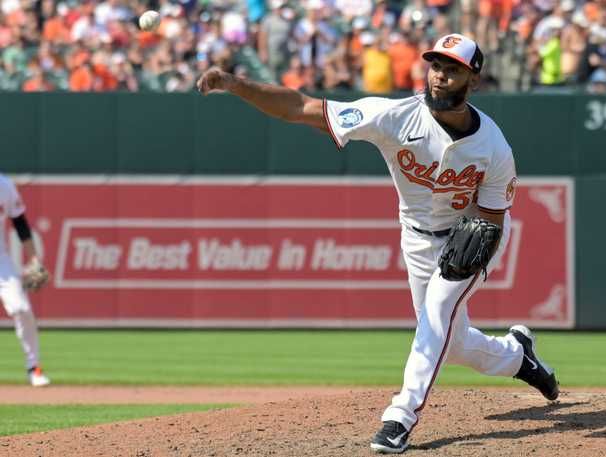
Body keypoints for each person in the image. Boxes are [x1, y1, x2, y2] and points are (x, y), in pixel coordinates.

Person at [196, 32, 559, 454]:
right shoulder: (393, 116)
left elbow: (493, 215)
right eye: (436, 66)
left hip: (475, 234)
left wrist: (476, 245)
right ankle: (519, 356)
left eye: (453, 69)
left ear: (473, 79)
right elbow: (301, 108)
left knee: (437, 315)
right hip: (418, 240)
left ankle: (399, 418)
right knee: (451, 342)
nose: (440, 76)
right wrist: (236, 85)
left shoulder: (494, 146)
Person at [0, 174, 50, 387]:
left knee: (22, 309)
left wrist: (34, 259)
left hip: (1, 261)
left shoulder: (4, 185)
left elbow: (20, 223)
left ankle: (34, 367)